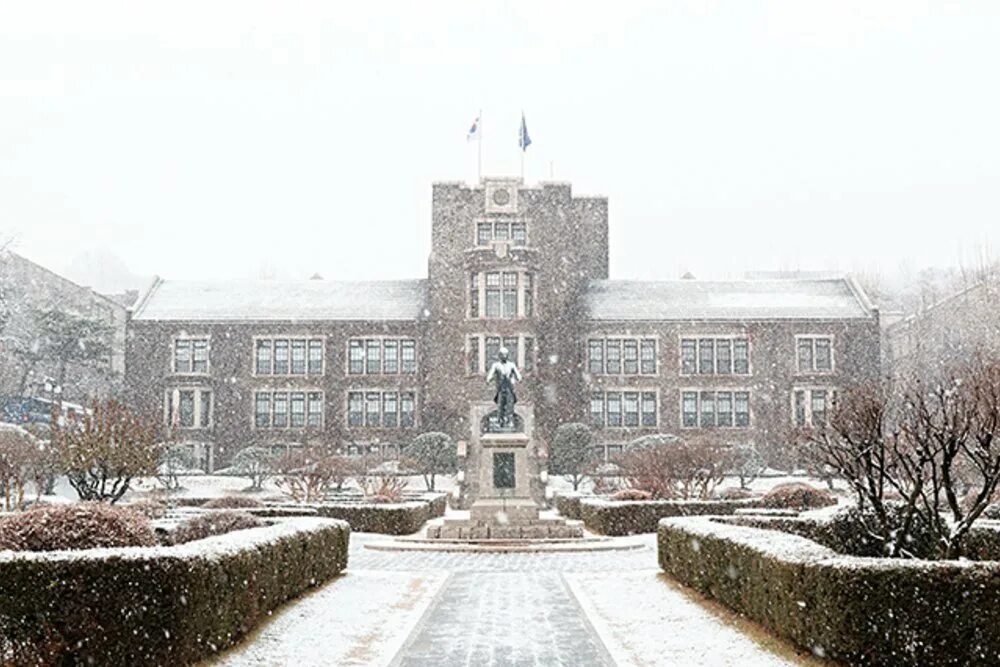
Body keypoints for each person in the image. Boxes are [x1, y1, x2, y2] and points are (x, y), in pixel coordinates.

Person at [485, 347, 522, 429]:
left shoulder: (511, 365)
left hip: (509, 388)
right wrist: (489, 379)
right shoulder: (496, 365)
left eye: (505, 354)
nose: (504, 356)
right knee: (500, 405)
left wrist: (519, 378)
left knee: (510, 405)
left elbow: (517, 374)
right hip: (501, 388)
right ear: (499, 356)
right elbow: (491, 373)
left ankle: (510, 420)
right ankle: (500, 421)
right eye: (502, 355)